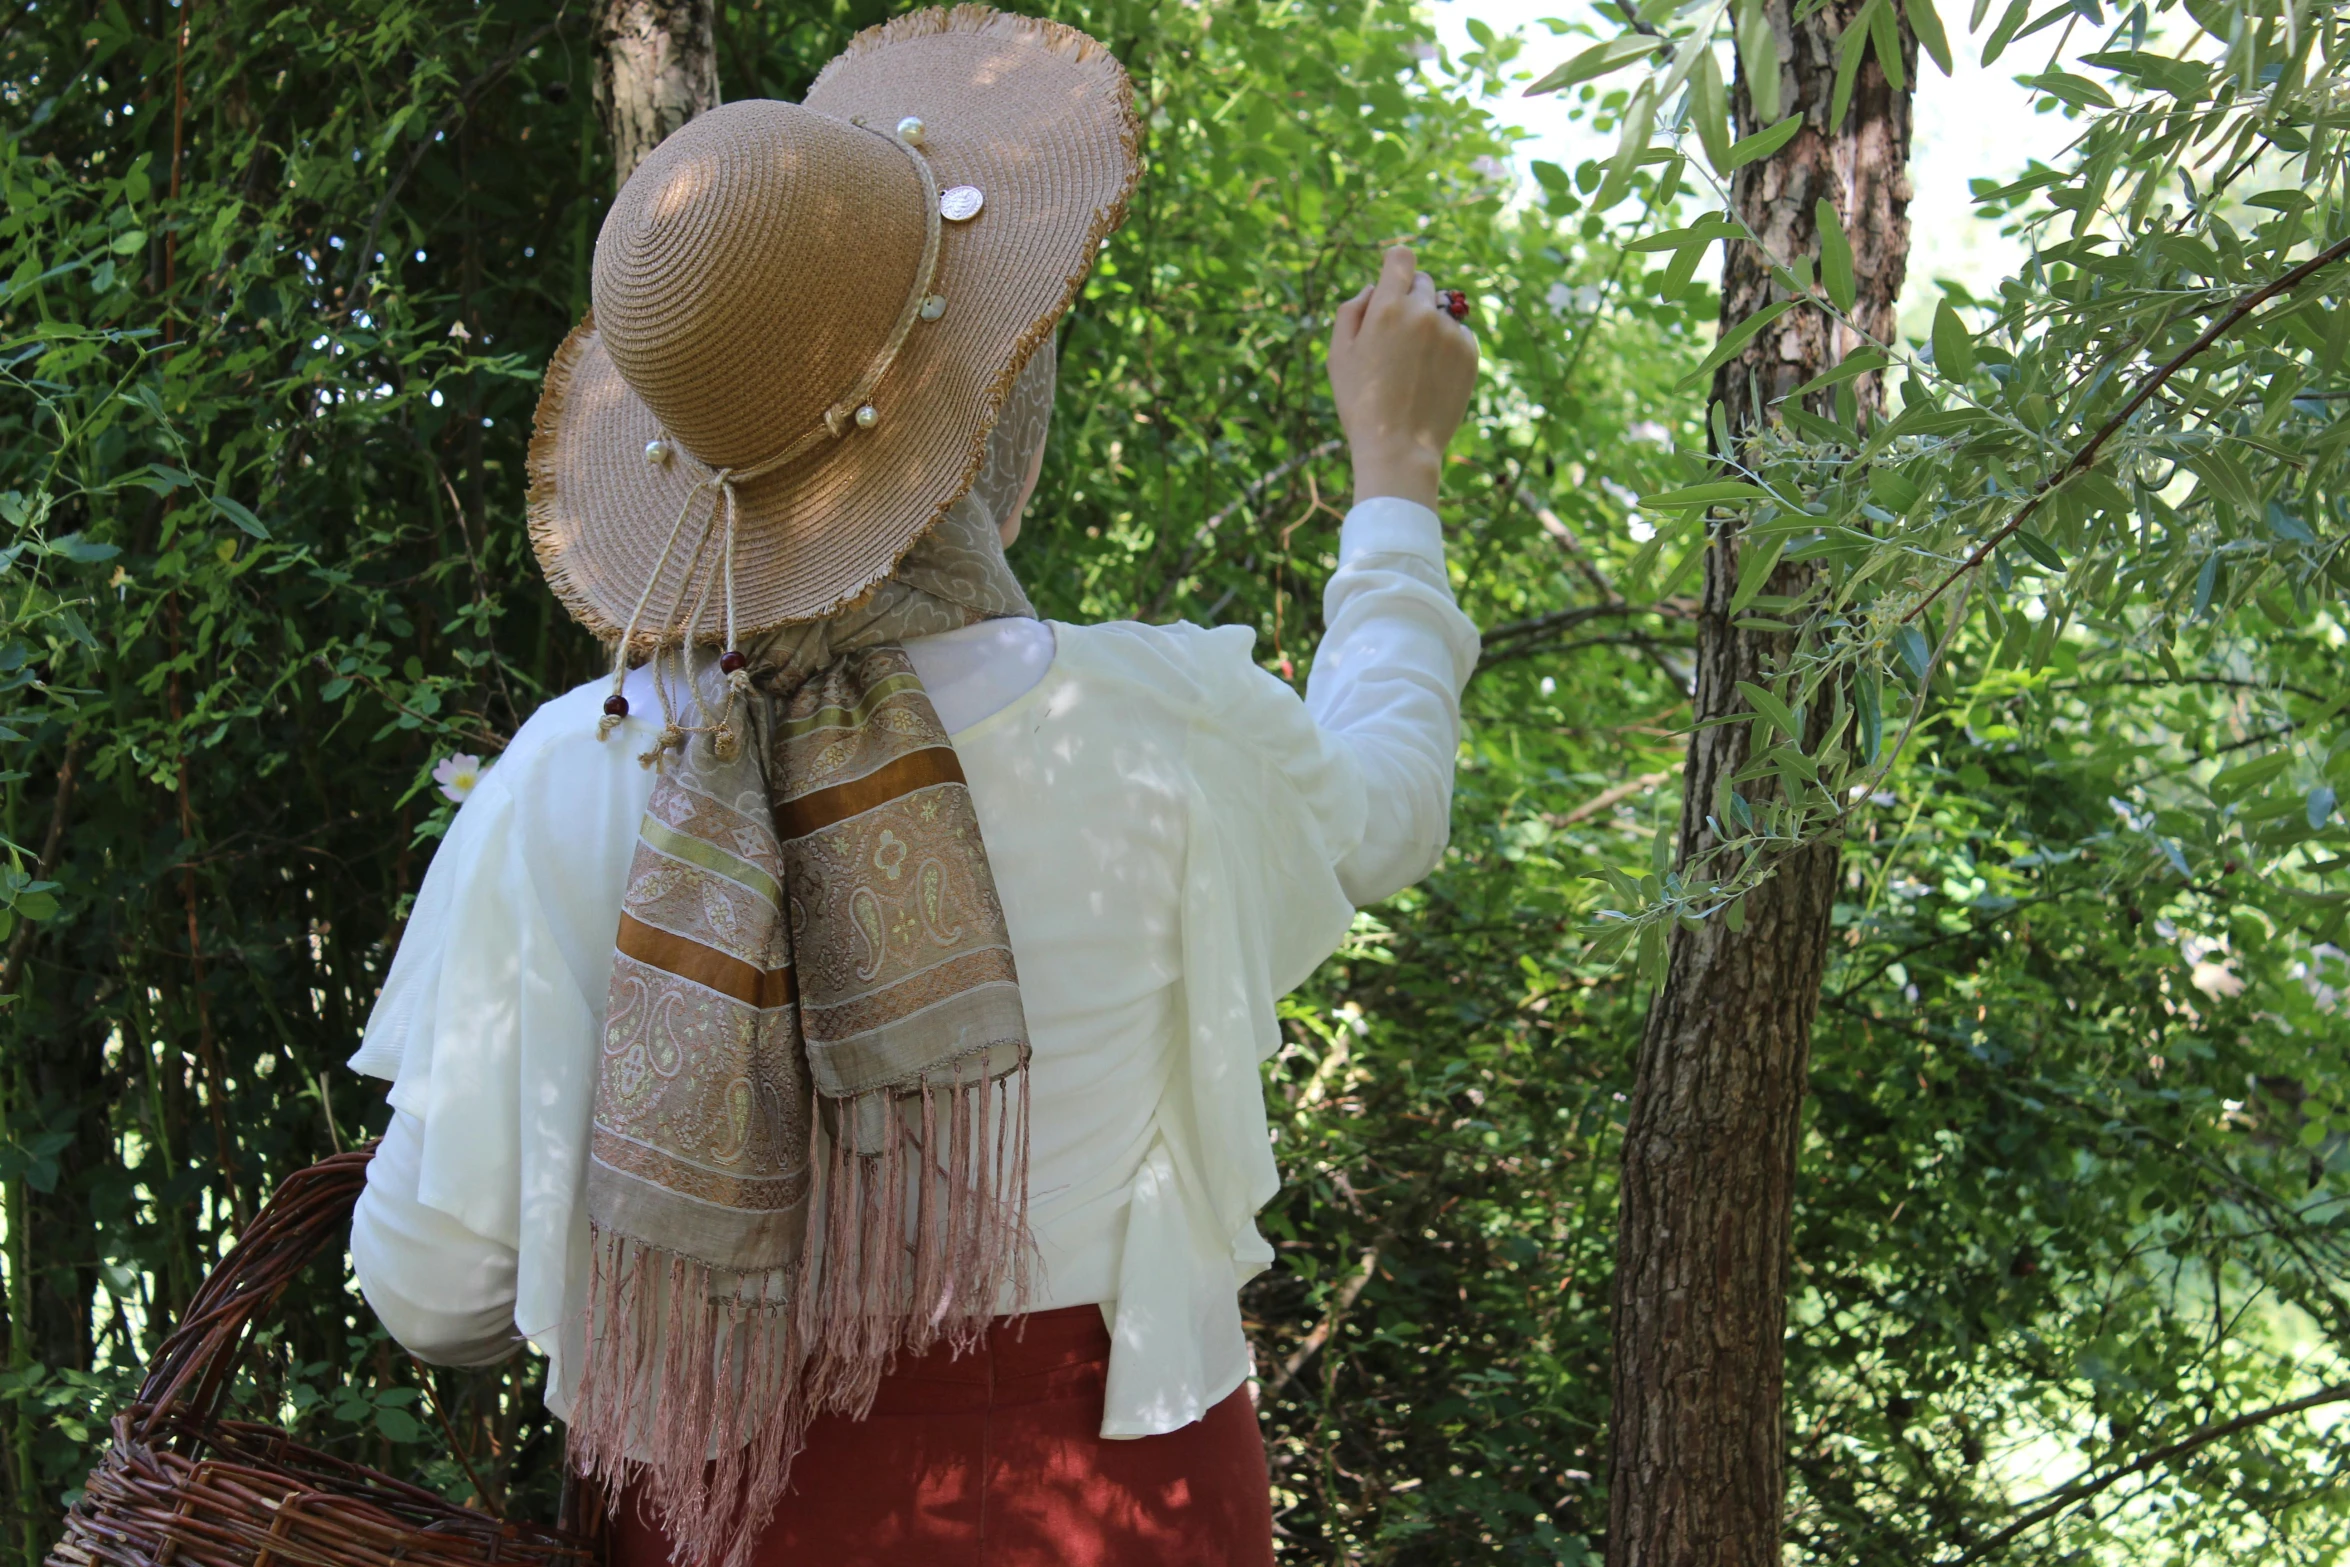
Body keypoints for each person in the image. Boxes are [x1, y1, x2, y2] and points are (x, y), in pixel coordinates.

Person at [345, 8, 1479, 1565]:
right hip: (1119, 1508)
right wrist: (1394, 482)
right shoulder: (1158, 721)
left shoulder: (568, 780)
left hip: (720, 1524)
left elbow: (436, 1292)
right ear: (986, 395)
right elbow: (1392, 796)